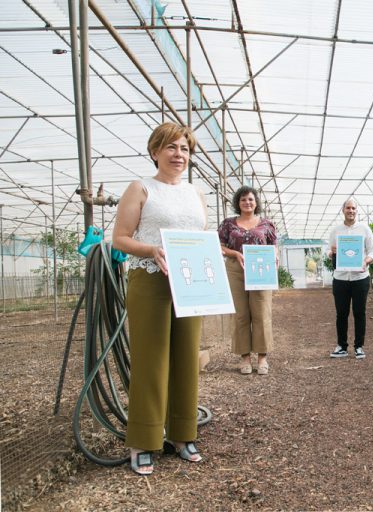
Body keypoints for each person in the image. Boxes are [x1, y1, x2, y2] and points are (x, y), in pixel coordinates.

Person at [112, 122, 207, 476]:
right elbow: (120, 239)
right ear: (155, 152)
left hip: (190, 281)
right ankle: (144, 440)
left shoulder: (196, 194)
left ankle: (182, 434)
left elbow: (201, 236)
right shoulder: (140, 189)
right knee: (151, 360)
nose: (178, 154)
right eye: (171, 147)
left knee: (186, 357)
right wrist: (152, 249)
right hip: (150, 280)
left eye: (184, 149)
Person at [218, 186, 278, 375]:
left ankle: (262, 358)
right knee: (240, 314)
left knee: (261, 312)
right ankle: (245, 358)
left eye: (251, 199)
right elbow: (219, 246)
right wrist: (235, 253)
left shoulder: (266, 224)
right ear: (238, 202)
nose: (247, 202)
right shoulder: (228, 224)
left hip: (260, 269)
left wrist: (274, 259)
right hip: (236, 269)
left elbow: (274, 246)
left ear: (256, 202)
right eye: (243, 199)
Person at [328, 198, 373, 359]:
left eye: (353, 208)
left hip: (360, 277)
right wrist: (332, 252)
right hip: (341, 278)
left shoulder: (364, 229)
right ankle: (341, 346)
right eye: (348, 208)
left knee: (359, 312)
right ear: (343, 210)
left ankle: (359, 346)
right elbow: (330, 252)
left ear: (357, 210)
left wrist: (365, 261)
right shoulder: (336, 231)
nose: (351, 211)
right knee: (341, 313)